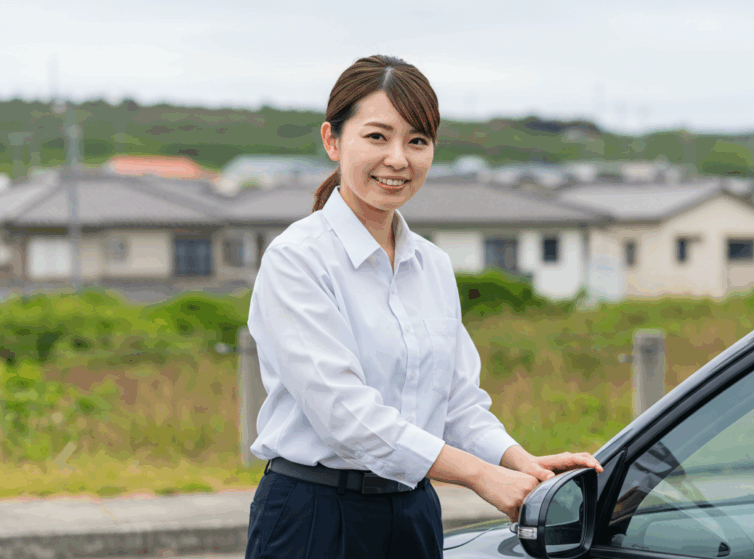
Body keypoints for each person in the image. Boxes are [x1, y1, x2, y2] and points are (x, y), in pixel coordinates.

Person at [244, 54, 603, 559]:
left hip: (412, 513)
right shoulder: (297, 259)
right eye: (376, 137)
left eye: (417, 140)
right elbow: (345, 415)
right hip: (315, 516)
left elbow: (457, 403)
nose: (399, 159)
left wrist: (522, 464)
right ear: (332, 140)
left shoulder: (431, 264)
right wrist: (481, 476)